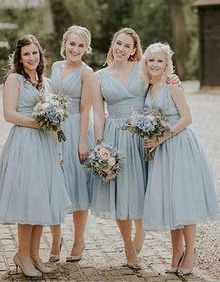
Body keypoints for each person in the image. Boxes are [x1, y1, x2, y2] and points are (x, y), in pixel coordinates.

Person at [91, 28, 180, 269]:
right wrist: (99, 146)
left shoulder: (141, 69)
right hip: (115, 137)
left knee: (143, 190)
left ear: (133, 50)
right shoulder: (98, 77)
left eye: (126, 46)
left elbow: (161, 79)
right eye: (117, 43)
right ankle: (129, 250)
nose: (120, 48)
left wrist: (174, 80)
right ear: (112, 44)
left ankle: (138, 240)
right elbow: (98, 115)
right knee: (121, 195)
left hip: (142, 136)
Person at [0, 35, 72, 278]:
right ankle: (21, 254)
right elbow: (9, 115)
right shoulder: (14, 80)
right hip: (24, 143)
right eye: (26, 54)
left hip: (46, 145)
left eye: (35, 53)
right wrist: (38, 123)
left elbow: (55, 124)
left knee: (41, 200)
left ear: (40, 55)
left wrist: (57, 151)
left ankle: (34, 254)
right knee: (28, 199)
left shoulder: (47, 82)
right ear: (19, 58)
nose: (31, 58)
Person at [142, 42, 220, 275]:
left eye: (159, 60)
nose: (155, 64)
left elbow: (187, 118)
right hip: (161, 151)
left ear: (167, 64)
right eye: (151, 60)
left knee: (183, 200)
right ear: (145, 63)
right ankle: (176, 252)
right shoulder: (148, 86)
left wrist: (160, 137)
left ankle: (191, 252)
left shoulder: (171, 85)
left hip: (179, 146)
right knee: (170, 201)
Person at [49, 25, 94, 262]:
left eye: (80, 45)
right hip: (53, 128)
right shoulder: (55, 67)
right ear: (64, 44)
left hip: (75, 127)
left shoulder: (87, 73)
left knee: (77, 185)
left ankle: (79, 240)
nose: (75, 49)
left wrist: (83, 141)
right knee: (53, 184)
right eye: (72, 43)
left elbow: (86, 108)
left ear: (86, 48)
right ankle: (56, 239)